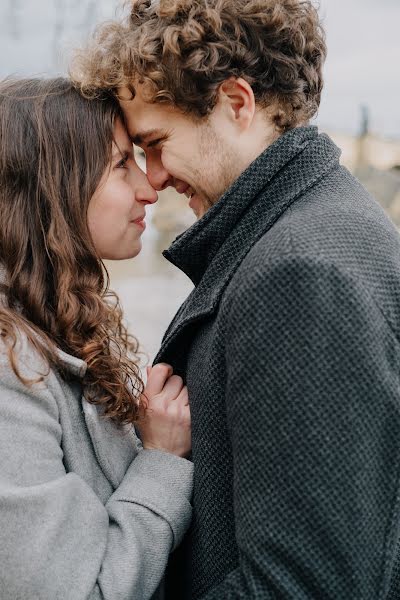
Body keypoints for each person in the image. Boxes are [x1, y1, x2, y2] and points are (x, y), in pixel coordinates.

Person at [73, 0, 400, 598]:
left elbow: (302, 585)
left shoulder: (300, 274)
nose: (153, 176)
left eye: (156, 142)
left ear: (236, 103)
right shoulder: (314, 225)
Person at [0, 77, 193, 600]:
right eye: (119, 165)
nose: (148, 188)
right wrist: (161, 462)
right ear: (51, 185)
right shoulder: (7, 366)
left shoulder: (54, 319)